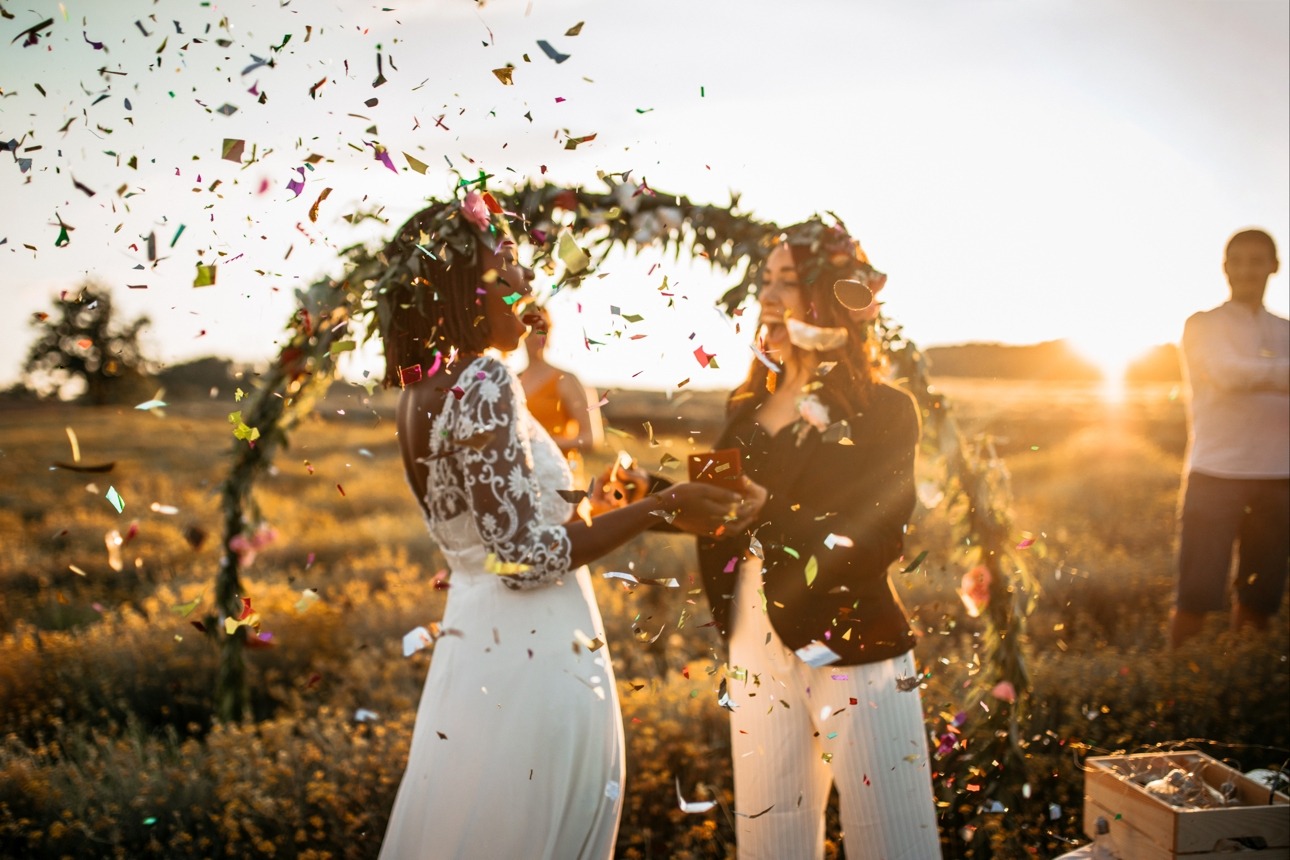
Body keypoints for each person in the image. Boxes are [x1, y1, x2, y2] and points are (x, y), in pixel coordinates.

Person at [374, 198, 749, 860]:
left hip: (476, 648)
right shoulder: (484, 376)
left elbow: (497, 534)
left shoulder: (422, 388)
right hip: (533, 656)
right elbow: (522, 558)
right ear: (464, 285)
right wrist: (662, 507)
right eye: (509, 266)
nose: (526, 284)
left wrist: (594, 510)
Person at [1168, 228, 1289, 649]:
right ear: (1224, 268)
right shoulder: (1203, 325)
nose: (1246, 270)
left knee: (1261, 597)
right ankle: (1176, 693)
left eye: (1257, 261)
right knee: (1196, 596)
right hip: (1215, 473)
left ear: (1274, 267)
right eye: (1237, 261)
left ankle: (1239, 682)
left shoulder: (1286, 330)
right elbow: (1225, 373)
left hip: (1280, 477)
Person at [519, 303, 604, 473]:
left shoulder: (566, 379)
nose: (537, 335)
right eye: (531, 328)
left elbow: (591, 438)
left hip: (558, 476)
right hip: (521, 477)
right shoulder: (512, 380)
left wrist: (542, 442)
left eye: (543, 328)